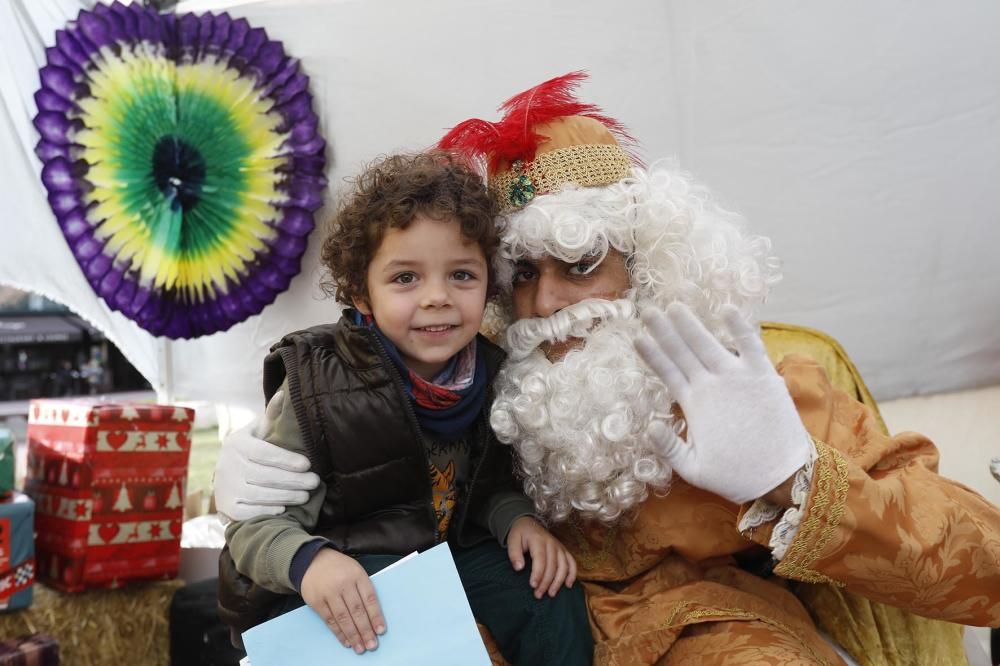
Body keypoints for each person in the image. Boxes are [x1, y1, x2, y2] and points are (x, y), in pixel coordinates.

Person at [216, 75, 1000, 664]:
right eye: (521, 271)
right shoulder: (482, 378)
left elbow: (984, 567)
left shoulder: (757, 380)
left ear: (649, 263)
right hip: (503, 625)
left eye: (583, 261)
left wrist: (795, 476)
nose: (551, 300)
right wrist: (266, 474)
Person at [217, 152, 592, 665]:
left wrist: (516, 519)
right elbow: (252, 528)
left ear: (490, 283)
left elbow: (487, 485)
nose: (437, 297)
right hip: (341, 568)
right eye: (405, 279)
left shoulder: (492, 371)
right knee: (396, 617)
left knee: (548, 592)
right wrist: (310, 563)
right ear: (360, 293)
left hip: (441, 558)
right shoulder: (316, 386)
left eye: (462, 275)